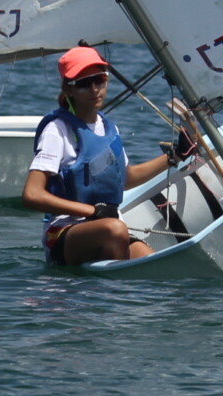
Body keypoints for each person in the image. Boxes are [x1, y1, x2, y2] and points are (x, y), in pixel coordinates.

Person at [23, 46, 181, 266]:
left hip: (109, 229)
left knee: (152, 263)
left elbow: (126, 178)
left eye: (99, 80)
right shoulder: (57, 130)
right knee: (115, 229)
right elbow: (31, 194)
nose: (94, 89)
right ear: (68, 89)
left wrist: (174, 157)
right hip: (63, 233)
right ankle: (107, 285)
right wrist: (92, 211)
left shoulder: (108, 127)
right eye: (84, 83)